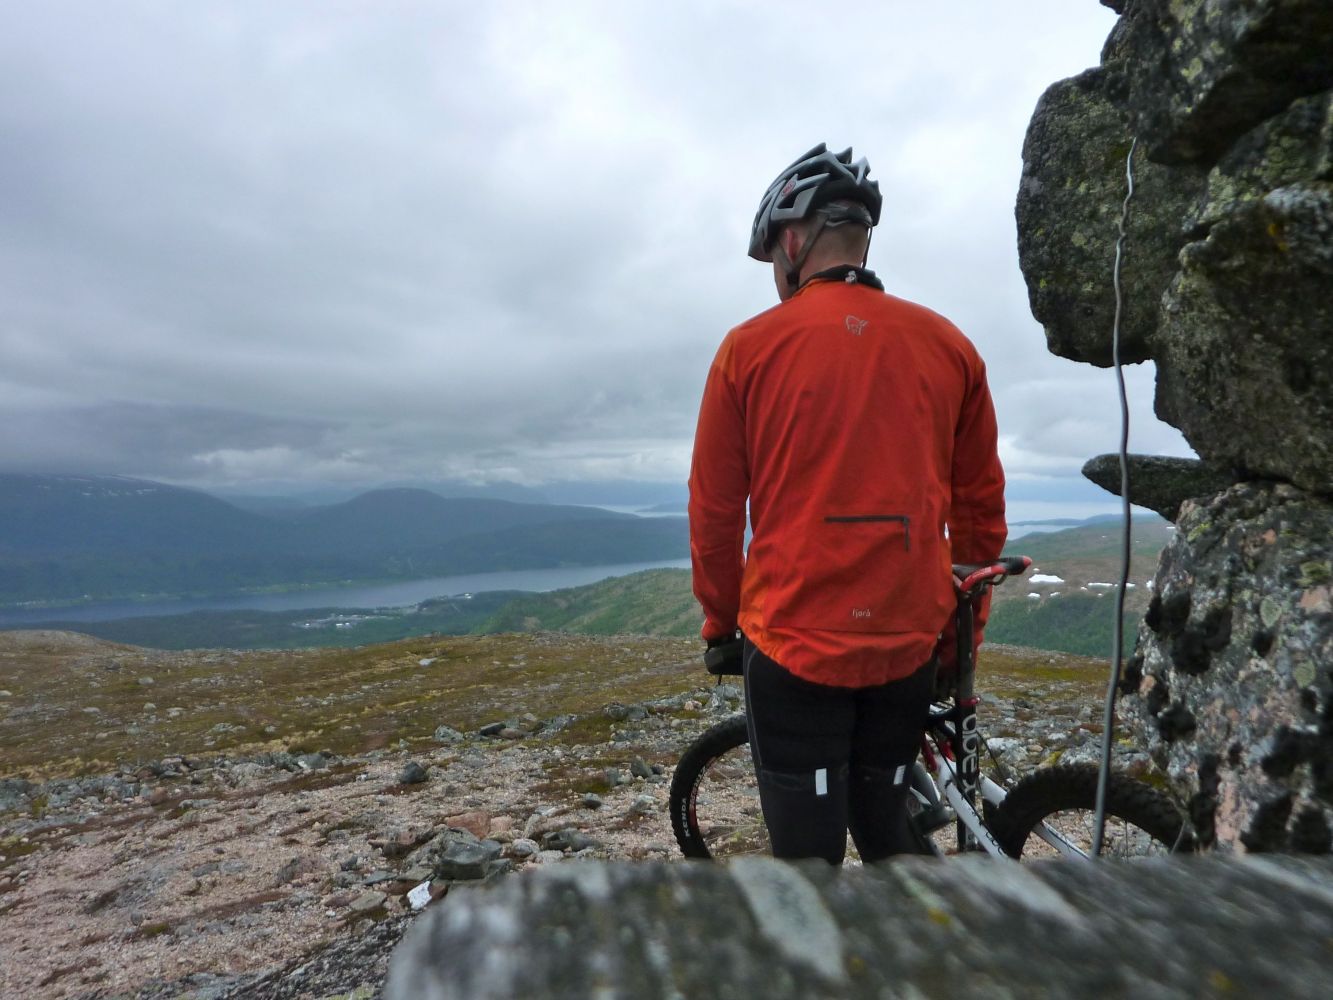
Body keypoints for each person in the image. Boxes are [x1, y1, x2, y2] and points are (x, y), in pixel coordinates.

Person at [688, 143, 1007, 863]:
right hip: (906, 642)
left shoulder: (746, 349)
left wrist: (721, 621)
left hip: (791, 642)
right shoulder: (950, 346)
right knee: (887, 831)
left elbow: (714, 511)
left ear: (791, 242)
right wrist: (958, 637)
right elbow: (979, 515)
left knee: (808, 864)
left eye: (773, 254)